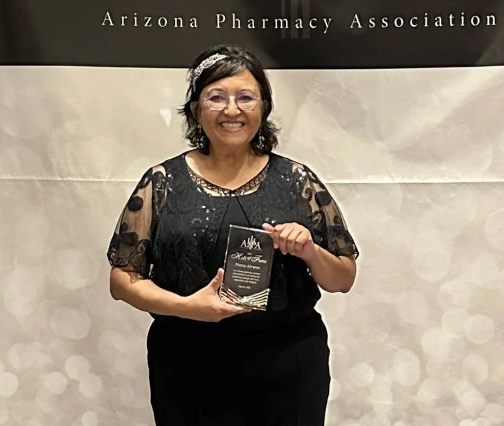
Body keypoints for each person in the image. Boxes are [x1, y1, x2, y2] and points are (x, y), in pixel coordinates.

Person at [106, 43, 359, 426]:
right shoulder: (162, 183)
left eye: (245, 97)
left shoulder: (297, 181)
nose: (232, 110)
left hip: (289, 364)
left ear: (263, 106)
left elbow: (343, 278)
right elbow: (122, 281)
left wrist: (310, 252)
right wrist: (189, 308)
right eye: (216, 97)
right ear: (196, 109)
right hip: (188, 363)